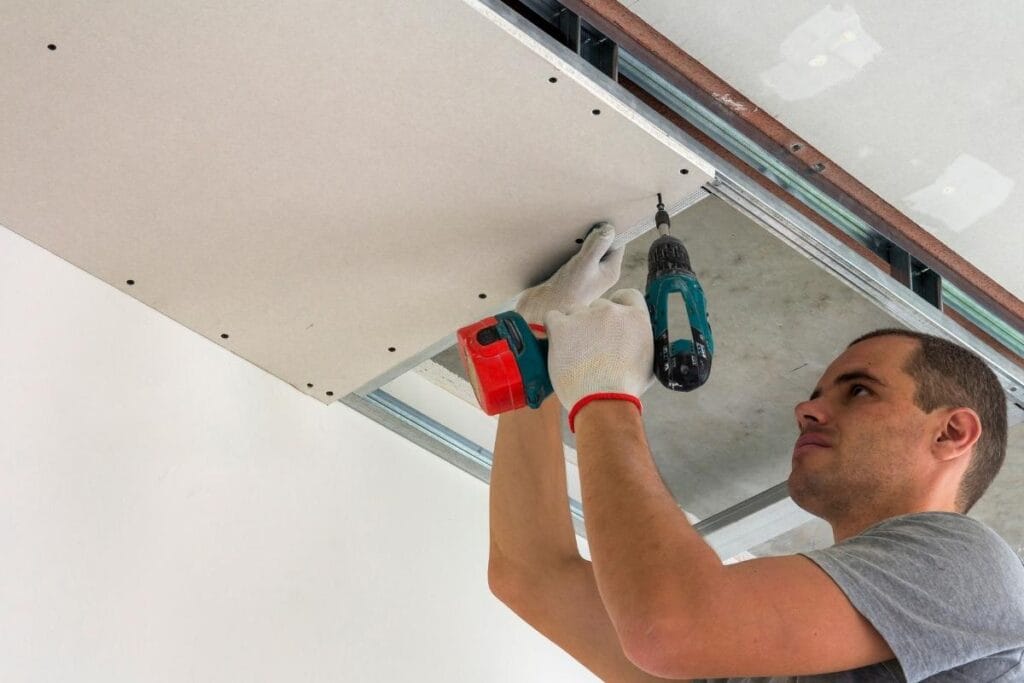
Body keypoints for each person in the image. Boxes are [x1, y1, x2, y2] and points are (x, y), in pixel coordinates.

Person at [486, 225, 1024, 682]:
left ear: (952, 433)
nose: (805, 411)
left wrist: (604, 393)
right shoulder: (760, 649)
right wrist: (538, 348)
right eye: (816, 395)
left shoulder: (967, 565)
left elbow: (668, 627)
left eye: (859, 390)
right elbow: (531, 575)